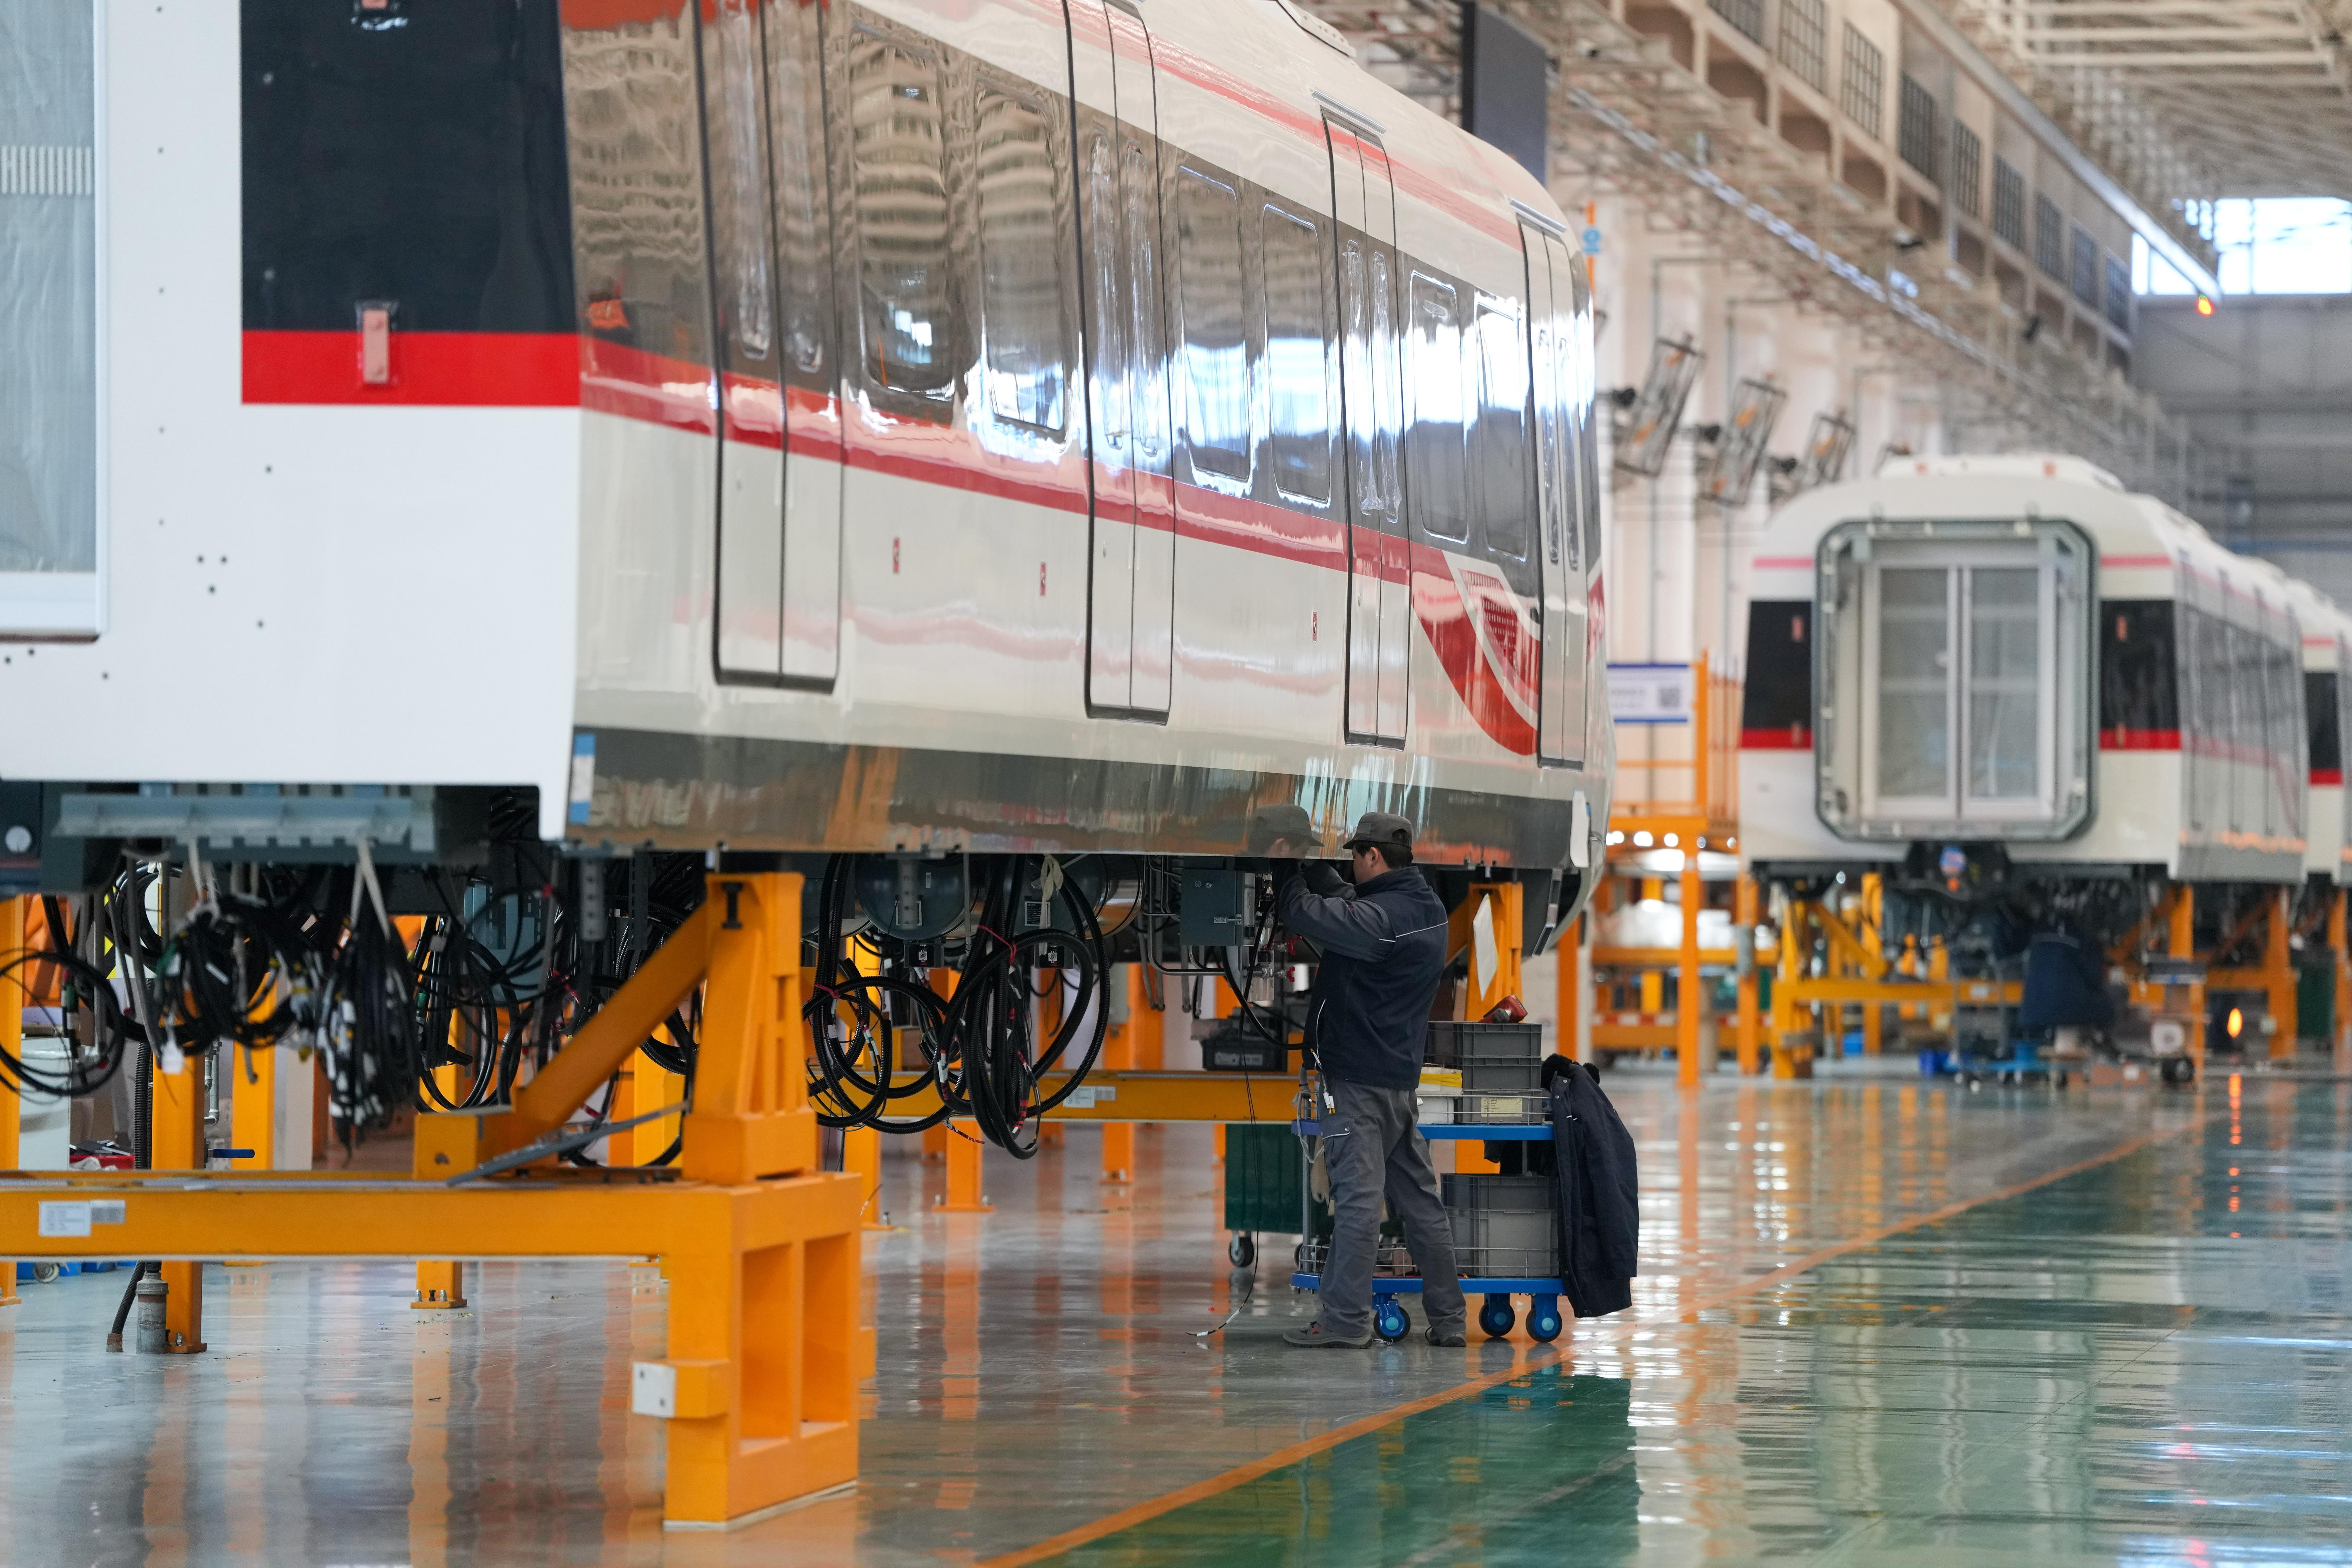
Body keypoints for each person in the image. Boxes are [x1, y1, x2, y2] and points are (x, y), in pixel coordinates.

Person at [1270, 811, 1467, 1348]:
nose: (1351, 866)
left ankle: (1345, 1323)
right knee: (1420, 1204)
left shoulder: (1379, 922)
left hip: (1355, 1084)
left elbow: (1304, 913)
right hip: (1398, 1083)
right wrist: (1316, 868)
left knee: (1358, 1201)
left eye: (1354, 856)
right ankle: (1449, 1319)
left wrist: (1284, 866)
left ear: (1371, 856)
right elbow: (1352, 904)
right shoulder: (1424, 908)